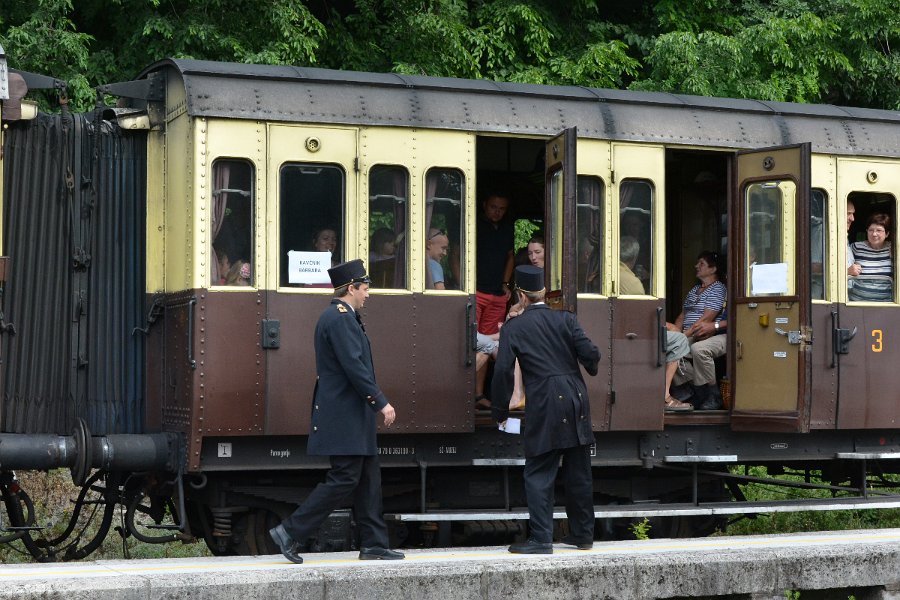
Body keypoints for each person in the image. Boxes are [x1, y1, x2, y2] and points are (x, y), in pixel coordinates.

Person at [269, 259, 404, 564]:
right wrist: (381, 402)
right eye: (365, 288)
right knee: (344, 478)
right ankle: (290, 532)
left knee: (369, 478)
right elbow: (354, 367)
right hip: (345, 415)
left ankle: (374, 543)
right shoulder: (340, 318)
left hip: (355, 415)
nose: (368, 294)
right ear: (352, 288)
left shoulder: (345, 317)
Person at [492, 265, 600, 554]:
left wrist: (500, 411)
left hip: (546, 400)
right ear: (542, 293)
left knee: (539, 471)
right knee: (579, 471)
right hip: (577, 397)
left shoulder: (515, 327)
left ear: (521, 296)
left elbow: (503, 371)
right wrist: (589, 367)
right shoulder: (567, 319)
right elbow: (591, 354)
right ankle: (582, 535)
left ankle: (541, 539)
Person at [667, 251, 726, 410]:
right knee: (669, 345)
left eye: (701, 264)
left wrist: (681, 337)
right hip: (687, 332)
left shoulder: (718, 289)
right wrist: (677, 332)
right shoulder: (695, 290)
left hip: (699, 333)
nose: (696, 266)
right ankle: (688, 389)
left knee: (676, 347)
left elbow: (706, 320)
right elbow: (683, 314)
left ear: (713, 269)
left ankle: (708, 394)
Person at [473, 193, 514, 406]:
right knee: (469, 342)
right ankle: (460, 393)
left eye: (501, 208)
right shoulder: (473, 224)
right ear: (484, 205)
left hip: (497, 295)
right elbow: (456, 255)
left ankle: (479, 395)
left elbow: (510, 256)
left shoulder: (507, 228)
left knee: (488, 344)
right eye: (493, 207)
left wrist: (505, 284)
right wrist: (467, 286)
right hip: (476, 291)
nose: (497, 212)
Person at [849, 213, 893, 302]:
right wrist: (848, 270)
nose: (874, 234)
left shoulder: (894, 249)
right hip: (857, 304)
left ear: (887, 234)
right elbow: (837, 264)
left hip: (886, 305)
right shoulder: (856, 247)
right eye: (871, 230)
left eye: (879, 230)